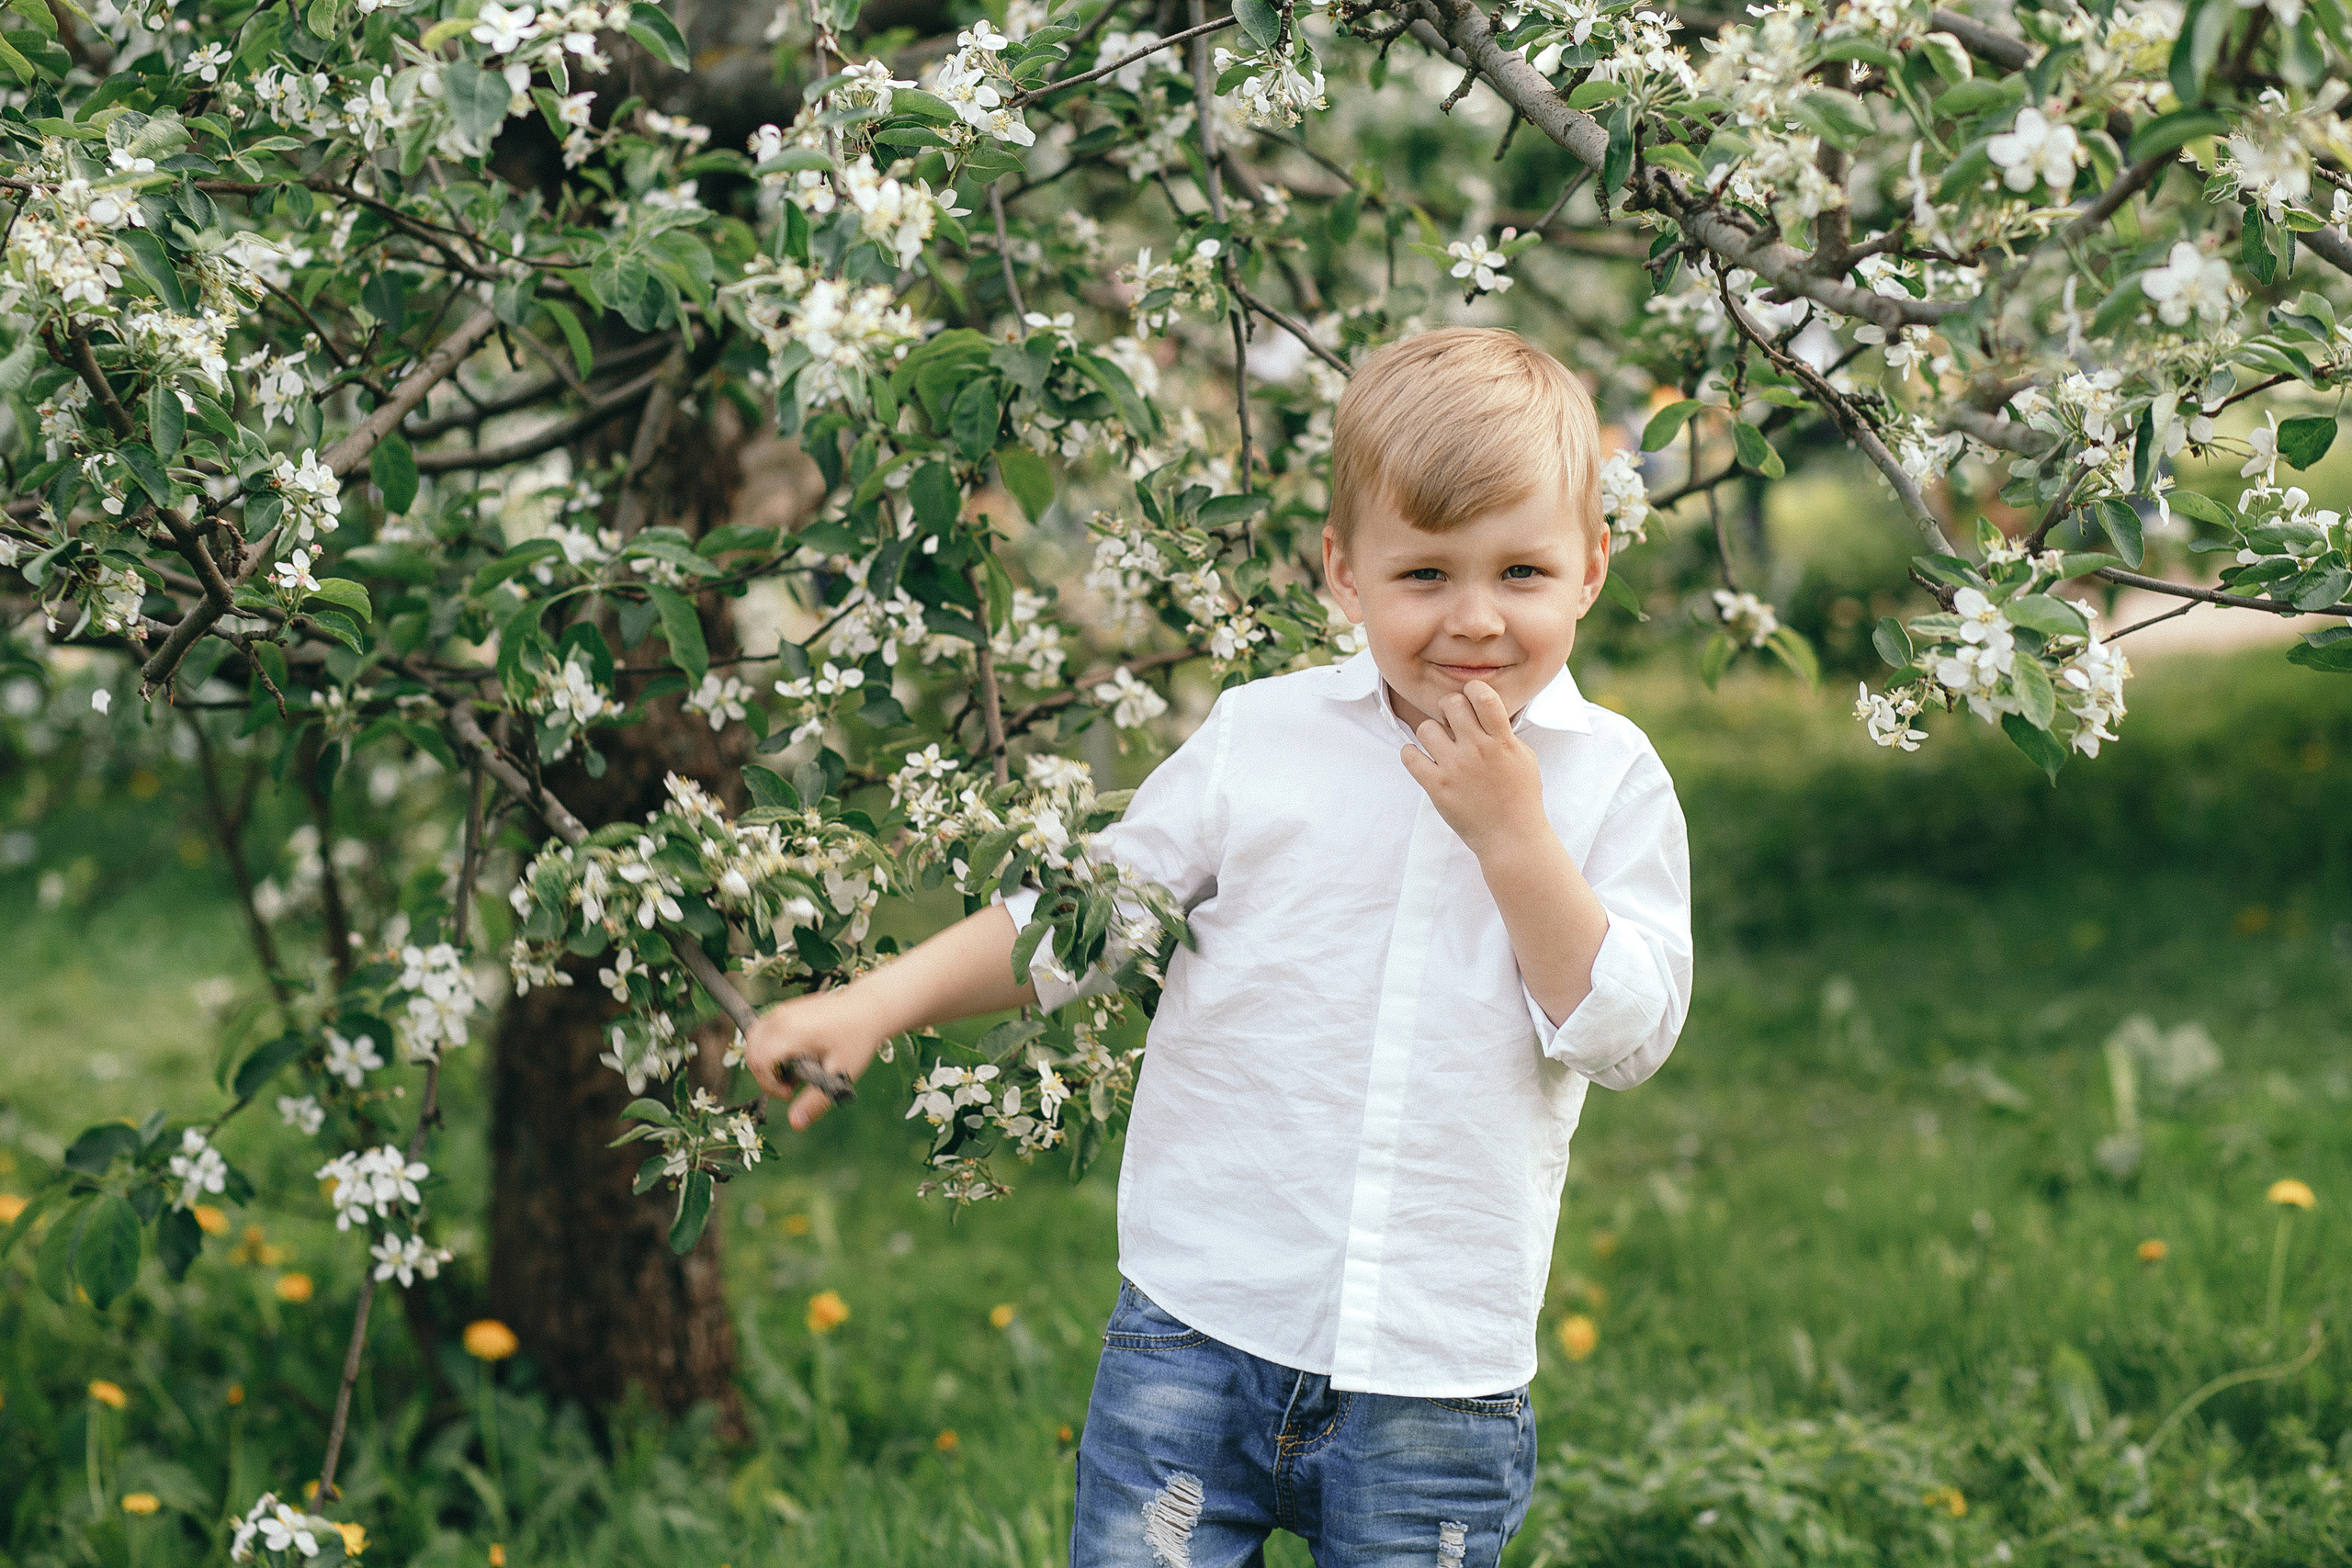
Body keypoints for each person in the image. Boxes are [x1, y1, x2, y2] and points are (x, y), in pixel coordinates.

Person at [744, 326, 1693, 1566]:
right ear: (1344, 575)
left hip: (1435, 1378)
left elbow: (1626, 1035)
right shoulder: (1263, 739)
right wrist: (877, 1002)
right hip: (1200, 1335)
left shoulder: (1609, 780)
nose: (1474, 619)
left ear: (1590, 570)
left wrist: (1515, 837)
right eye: (1424, 576)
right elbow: (1089, 914)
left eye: (1521, 571)